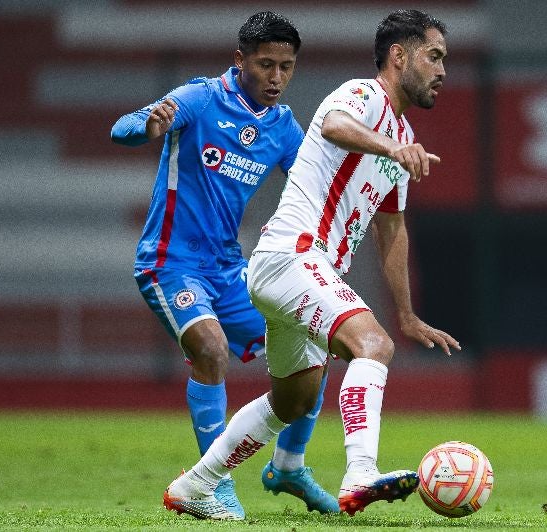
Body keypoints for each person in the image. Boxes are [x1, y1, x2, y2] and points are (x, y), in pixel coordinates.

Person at [162, 9, 460, 520]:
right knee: (373, 345)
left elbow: (392, 231)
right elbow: (333, 124)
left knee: (293, 402)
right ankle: (361, 473)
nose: (441, 70)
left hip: (291, 270)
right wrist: (393, 146)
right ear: (399, 55)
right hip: (294, 255)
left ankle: (195, 484)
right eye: (433, 56)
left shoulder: (402, 136)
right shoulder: (362, 96)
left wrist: (408, 314)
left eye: (444, 60)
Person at [110, 11, 337, 519]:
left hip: (227, 269)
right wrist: (147, 124)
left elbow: (315, 180)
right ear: (240, 60)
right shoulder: (197, 99)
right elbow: (119, 129)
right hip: (169, 263)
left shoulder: (281, 126)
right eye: (266, 65)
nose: (276, 78)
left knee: (315, 339)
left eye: (286, 67)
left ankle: (289, 467)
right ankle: (215, 484)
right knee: (212, 351)